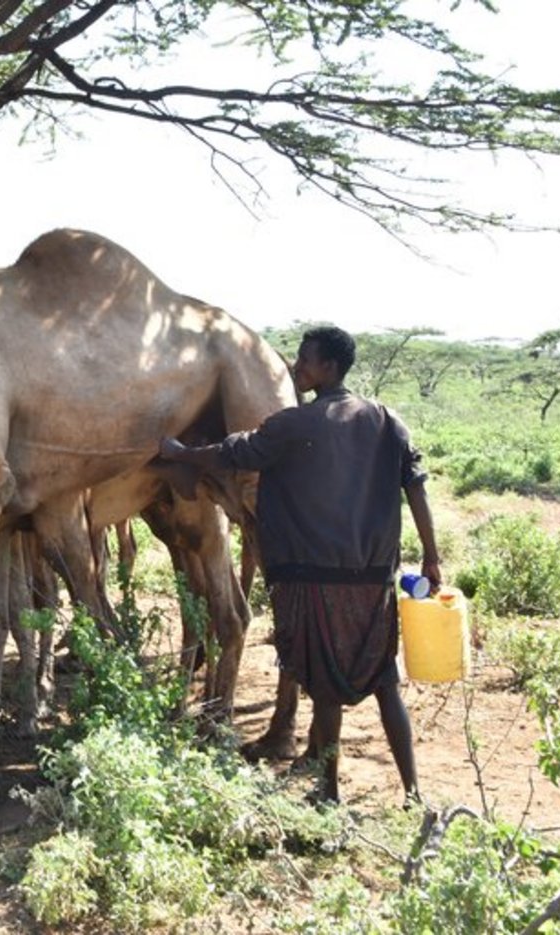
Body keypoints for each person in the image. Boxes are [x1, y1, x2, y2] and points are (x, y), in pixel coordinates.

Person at [153, 325, 439, 805]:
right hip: (373, 579)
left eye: (306, 360)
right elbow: (416, 488)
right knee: (385, 682)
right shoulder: (387, 421)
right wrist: (431, 556)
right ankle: (413, 793)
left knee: (325, 689)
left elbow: (233, 453)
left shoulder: (294, 425)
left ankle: (329, 792)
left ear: (329, 367)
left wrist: (182, 454)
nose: (297, 368)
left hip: (314, 576)